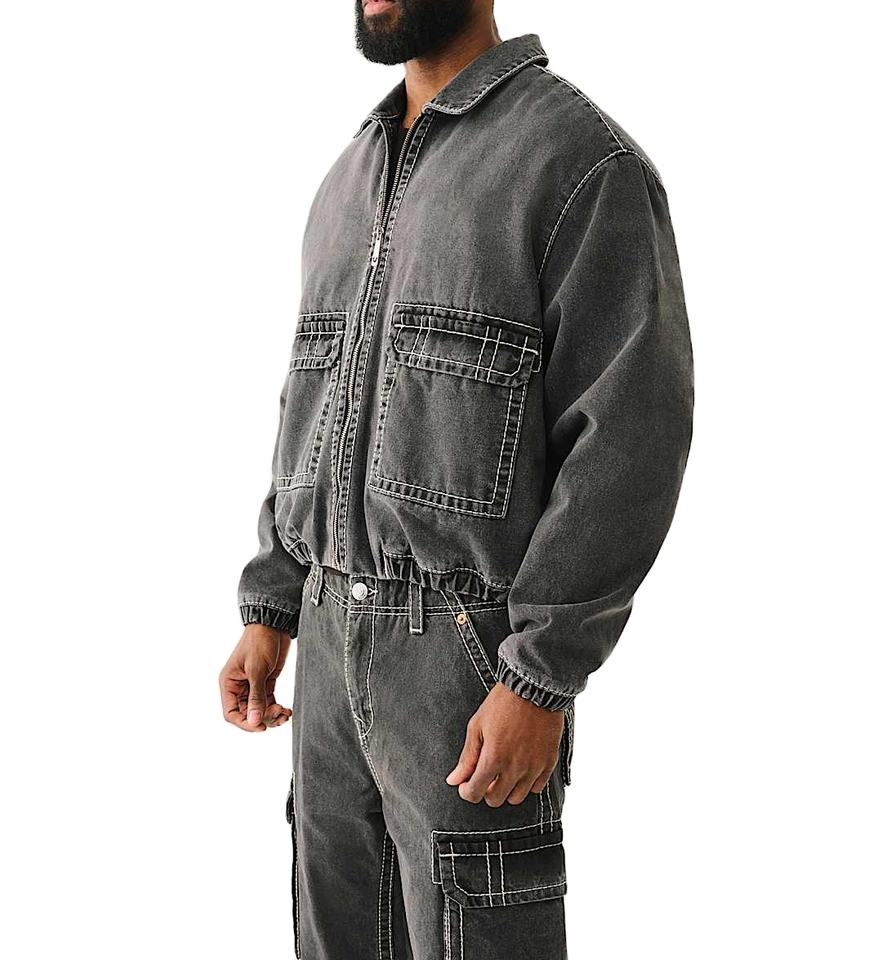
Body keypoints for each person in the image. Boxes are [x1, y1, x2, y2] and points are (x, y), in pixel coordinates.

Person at [219, 1, 693, 956]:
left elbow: (631, 436)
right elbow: (312, 405)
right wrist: (273, 606)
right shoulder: (349, 176)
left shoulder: (579, 161)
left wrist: (541, 675)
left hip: (466, 667)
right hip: (326, 649)